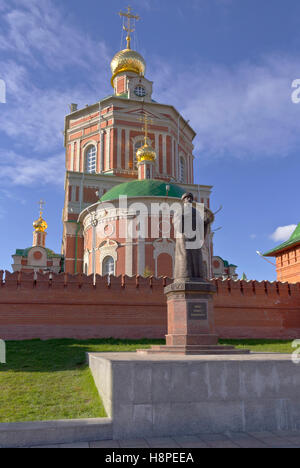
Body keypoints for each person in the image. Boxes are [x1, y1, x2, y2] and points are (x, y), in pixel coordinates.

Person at [173, 193, 212, 281]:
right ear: (183, 200)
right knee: (185, 257)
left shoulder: (196, 212)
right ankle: (184, 276)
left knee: (196, 256)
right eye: (187, 198)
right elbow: (177, 223)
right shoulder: (179, 211)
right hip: (184, 237)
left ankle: (197, 276)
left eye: (190, 198)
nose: (189, 199)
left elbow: (200, 225)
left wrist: (205, 222)